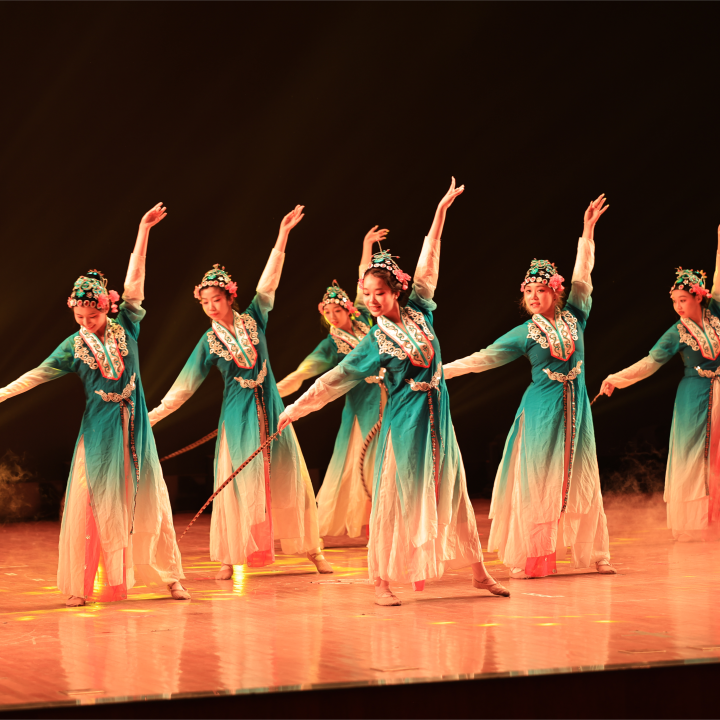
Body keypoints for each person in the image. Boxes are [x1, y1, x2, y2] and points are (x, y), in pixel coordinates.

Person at [278, 179, 509, 606]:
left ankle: (479, 573)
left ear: (397, 291)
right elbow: (337, 378)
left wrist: (440, 213)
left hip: (438, 419)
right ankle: (381, 581)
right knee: (396, 498)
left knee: (453, 491)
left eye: (379, 293)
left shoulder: (420, 309)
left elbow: (429, 262)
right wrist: (295, 408)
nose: (371, 300)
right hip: (404, 424)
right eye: (367, 294)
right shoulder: (375, 340)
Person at [0, 203, 189, 606]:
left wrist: (143, 231)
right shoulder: (73, 346)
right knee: (91, 501)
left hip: (135, 429)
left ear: (105, 307)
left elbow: (135, 282)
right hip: (98, 432)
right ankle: (79, 587)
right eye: (79, 317)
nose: (85, 323)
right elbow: (36, 374)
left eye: (91, 316)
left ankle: (171, 578)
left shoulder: (127, 326)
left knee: (151, 498)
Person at [148, 206, 333, 580]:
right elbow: (182, 389)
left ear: (230, 297)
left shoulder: (254, 318)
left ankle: (313, 551)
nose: (210, 307)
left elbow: (269, 284)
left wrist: (282, 236)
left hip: (273, 411)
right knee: (238, 486)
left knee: (290, 478)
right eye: (204, 303)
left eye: (216, 299)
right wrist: (149, 419)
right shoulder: (209, 342)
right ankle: (230, 558)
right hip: (238, 418)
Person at [443, 194, 616, 579]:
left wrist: (587, 231)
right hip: (541, 414)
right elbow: (483, 358)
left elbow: (583, 276)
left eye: (542, 290)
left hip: (576, 413)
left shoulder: (576, 316)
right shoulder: (524, 333)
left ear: (556, 292)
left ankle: (596, 553)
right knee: (539, 483)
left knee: (584, 476)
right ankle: (531, 555)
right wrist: (440, 372)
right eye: (529, 292)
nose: (535, 297)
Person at [600, 228, 720, 541]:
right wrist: (616, 379)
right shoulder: (675, 333)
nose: (678, 306)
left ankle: (716, 520)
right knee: (691, 455)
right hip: (694, 396)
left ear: (699, 297)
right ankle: (691, 524)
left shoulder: (716, 313)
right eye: (675, 301)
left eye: (683, 300)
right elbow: (650, 362)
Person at [276, 226, 388, 538]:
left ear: (348, 308)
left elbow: (364, 280)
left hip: (388, 394)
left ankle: (386, 517)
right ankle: (364, 520)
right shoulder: (330, 345)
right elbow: (302, 373)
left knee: (388, 454)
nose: (333, 316)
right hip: (361, 403)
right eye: (328, 312)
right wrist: (271, 393)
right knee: (357, 460)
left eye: (337, 310)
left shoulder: (365, 317)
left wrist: (366, 245)